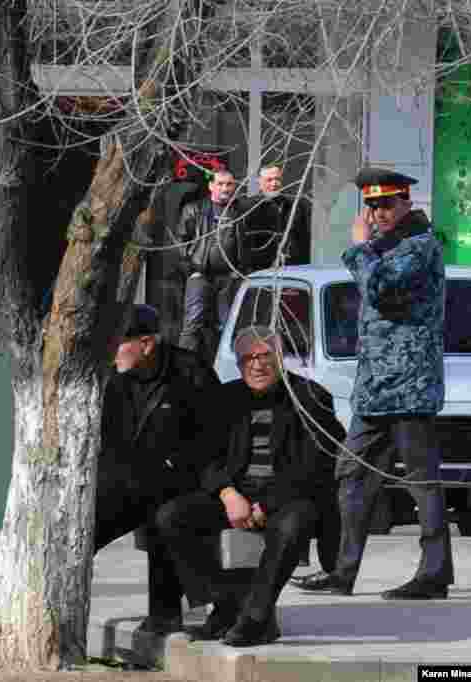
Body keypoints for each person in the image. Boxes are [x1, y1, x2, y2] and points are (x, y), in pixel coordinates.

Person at [300, 168, 452, 600]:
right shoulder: (384, 248)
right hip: (375, 388)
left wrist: (358, 247)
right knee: (351, 474)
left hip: (408, 386)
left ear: (406, 203)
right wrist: (368, 249)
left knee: (422, 481)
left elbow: (381, 288)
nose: (378, 213)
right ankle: (342, 570)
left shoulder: (419, 246)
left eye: (386, 204)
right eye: (372, 205)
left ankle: (434, 573)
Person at [153, 327, 344, 646]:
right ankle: (226, 603)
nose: (257, 365)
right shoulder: (223, 398)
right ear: (240, 363)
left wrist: (266, 505)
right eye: (248, 358)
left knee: (294, 523)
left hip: (288, 496)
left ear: (280, 358)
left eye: (265, 356)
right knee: (171, 517)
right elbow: (202, 455)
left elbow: (317, 465)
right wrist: (228, 494)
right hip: (236, 493)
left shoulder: (310, 396)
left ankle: (255, 617)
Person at [94, 304, 222, 635]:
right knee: (83, 523)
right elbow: (109, 440)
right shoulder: (115, 378)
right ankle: (55, 604)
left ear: (147, 343)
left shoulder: (190, 372)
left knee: (164, 514)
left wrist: (171, 465)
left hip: (183, 481)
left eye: (119, 342)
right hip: (132, 481)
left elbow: (213, 439)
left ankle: (172, 614)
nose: (111, 350)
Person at [177, 169, 250, 363]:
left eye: (229, 184)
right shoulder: (194, 209)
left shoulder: (240, 211)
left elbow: (247, 244)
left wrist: (241, 272)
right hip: (201, 276)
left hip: (230, 278)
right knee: (192, 325)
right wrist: (191, 271)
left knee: (230, 326)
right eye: (220, 184)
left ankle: (227, 370)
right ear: (211, 186)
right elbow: (181, 243)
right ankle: (183, 369)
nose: (225, 188)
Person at [244, 165, 312, 272]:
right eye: (269, 180)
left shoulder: (296, 205)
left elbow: (304, 238)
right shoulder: (249, 207)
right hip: (261, 269)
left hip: (293, 267)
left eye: (277, 179)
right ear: (259, 182)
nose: (274, 184)